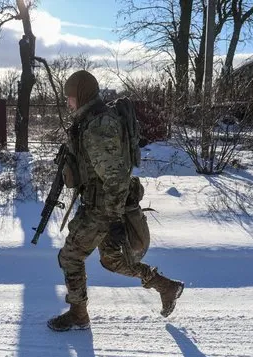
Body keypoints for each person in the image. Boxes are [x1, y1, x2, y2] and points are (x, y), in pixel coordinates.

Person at [47, 70, 185, 332]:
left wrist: (109, 215)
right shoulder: (91, 120)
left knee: (70, 256)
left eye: (71, 97)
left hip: (104, 207)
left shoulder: (99, 125)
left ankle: (78, 314)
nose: (68, 102)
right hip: (108, 205)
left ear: (82, 95)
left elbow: (115, 176)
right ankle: (166, 287)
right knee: (113, 261)